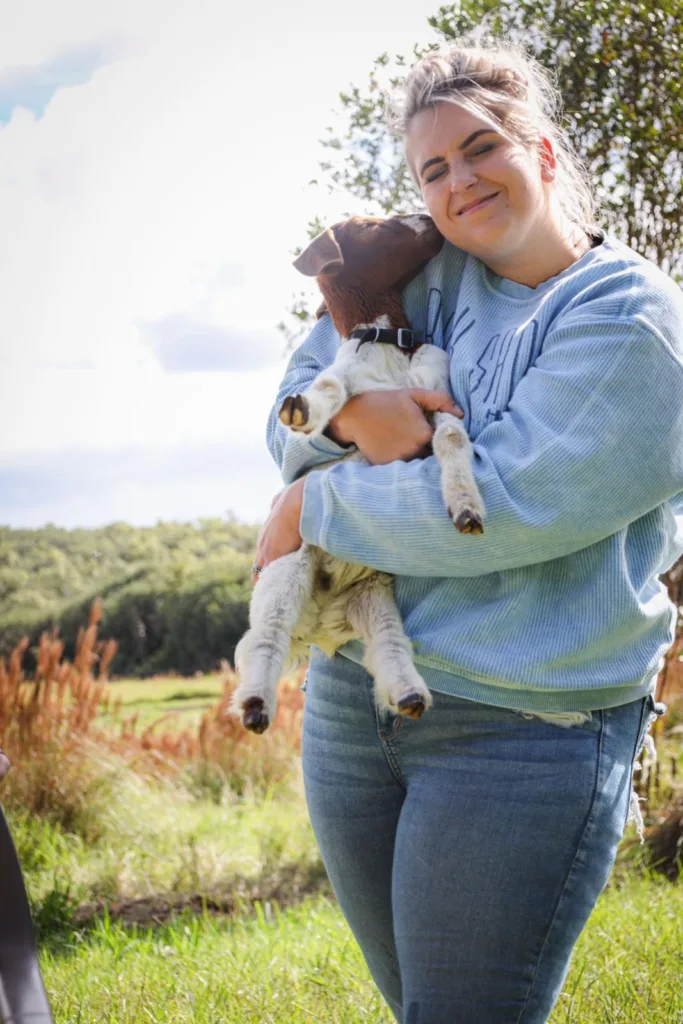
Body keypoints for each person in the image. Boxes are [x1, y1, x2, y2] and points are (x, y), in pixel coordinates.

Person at [251, 38, 683, 1024]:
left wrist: (311, 505)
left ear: (539, 152)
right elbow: (291, 407)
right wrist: (357, 416)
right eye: (431, 169)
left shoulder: (628, 320)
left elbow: (504, 507)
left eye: (480, 148)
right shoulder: (426, 274)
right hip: (356, 702)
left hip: (520, 729)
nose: (458, 182)